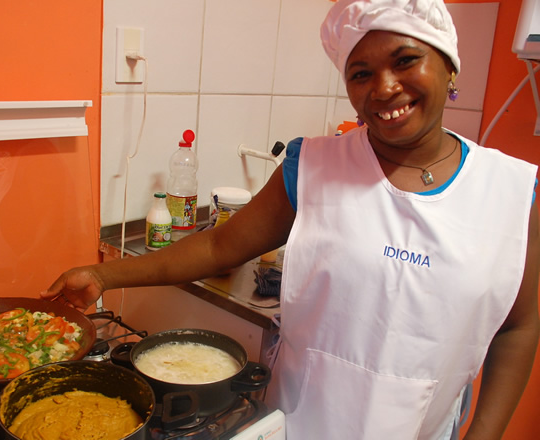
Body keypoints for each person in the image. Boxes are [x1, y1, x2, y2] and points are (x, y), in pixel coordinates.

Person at [42, 0, 540, 438]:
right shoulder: (313, 167)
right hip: (302, 419)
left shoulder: (514, 193)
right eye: (360, 73)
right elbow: (219, 248)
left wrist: (484, 433)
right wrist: (103, 274)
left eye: (406, 60)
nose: (384, 88)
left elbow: (518, 327)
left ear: (449, 66)